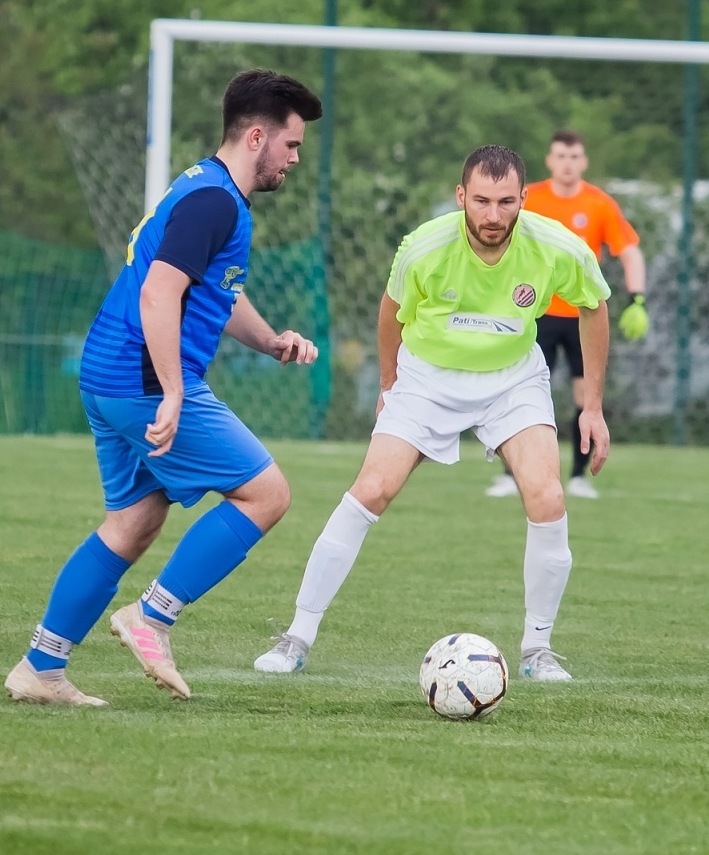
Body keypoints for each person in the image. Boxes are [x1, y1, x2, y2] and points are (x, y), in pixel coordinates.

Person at [3, 69, 323, 706]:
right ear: (256, 135)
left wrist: (270, 340)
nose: (293, 159)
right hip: (142, 377)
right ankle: (151, 617)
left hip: (109, 372)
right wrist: (174, 392)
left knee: (133, 523)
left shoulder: (207, 187)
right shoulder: (215, 202)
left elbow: (213, 292)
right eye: (290, 145)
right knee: (267, 493)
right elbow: (159, 293)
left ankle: (40, 667)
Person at [255, 145, 612, 680]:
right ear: (461, 196)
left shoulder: (559, 248)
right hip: (427, 377)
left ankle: (538, 651)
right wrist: (388, 384)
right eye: (483, 201)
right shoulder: (423, 248)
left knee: (549, 494)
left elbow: (594, 307)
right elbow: (390, 313)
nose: (494, 216)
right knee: (371, 489)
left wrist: (593, 407)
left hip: (512, 376)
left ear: (524, 199)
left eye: (507, 202)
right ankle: (295, 638)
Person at [485, 130, 646, 500]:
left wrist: (637, 298)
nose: (567, 163)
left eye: (574, 156)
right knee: (516, 392)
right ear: (550, 160)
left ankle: (577, 476)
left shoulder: (599, 204)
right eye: (561, 156)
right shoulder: (529, 199)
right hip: (532, 312)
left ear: (583, 162)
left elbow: (630, 250)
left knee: (584, 396)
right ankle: (512, 475)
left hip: (581, 317)